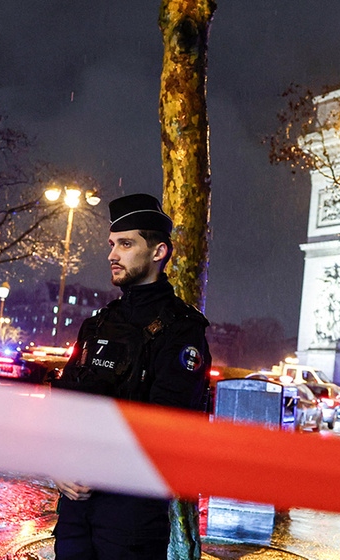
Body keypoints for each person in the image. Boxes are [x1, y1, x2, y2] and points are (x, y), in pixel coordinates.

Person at [51, 193, 212, 560]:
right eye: (111, 244)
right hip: (76, 512)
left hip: (131, 520)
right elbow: (64, 407)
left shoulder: (182, 331)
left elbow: (166, 427)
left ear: (158, 252)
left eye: (125, 244)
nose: (113, 254)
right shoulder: (97, 324)